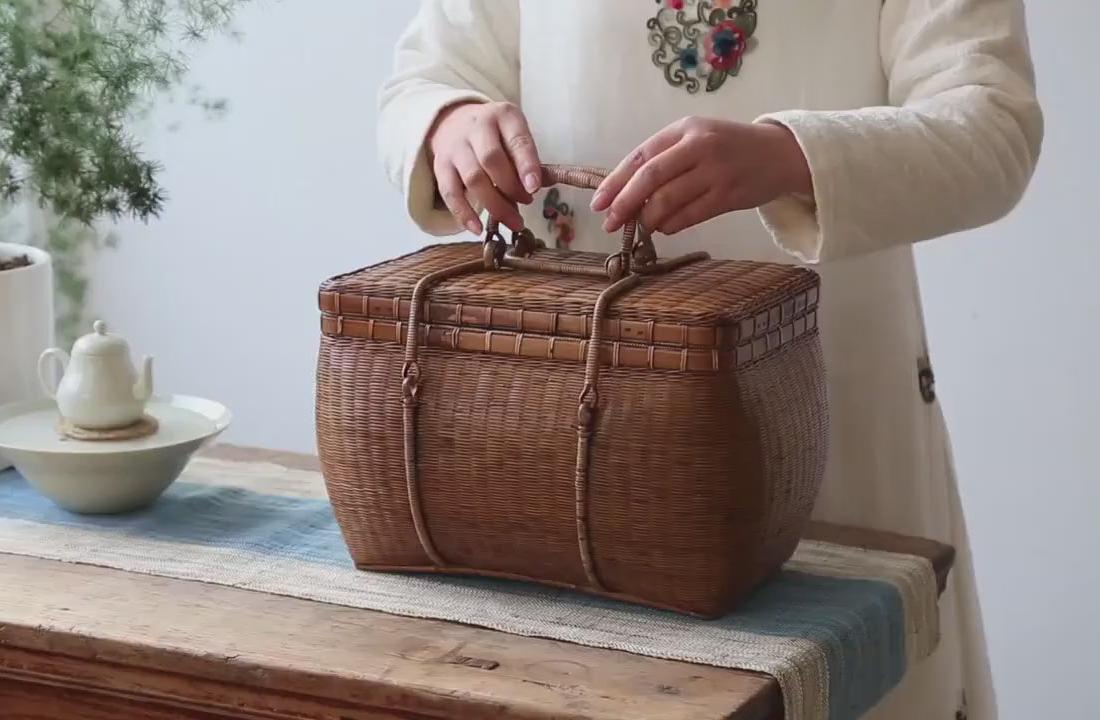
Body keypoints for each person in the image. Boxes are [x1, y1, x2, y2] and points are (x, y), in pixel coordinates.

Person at [375, 1, 1044, 718]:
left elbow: (994, 124)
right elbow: (426, 78)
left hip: (820, 417)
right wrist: (449, 123)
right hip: (552, 430)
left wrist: (789, 157)